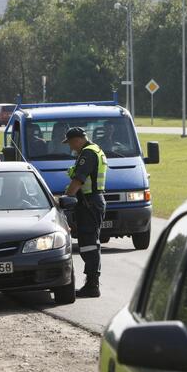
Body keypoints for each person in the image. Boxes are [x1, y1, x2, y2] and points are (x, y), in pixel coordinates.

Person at [63, 127, 107, 298]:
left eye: (71, 143)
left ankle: (92, 285)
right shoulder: (95, 150)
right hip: (91, 202)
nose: (71, 148)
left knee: (89, 243)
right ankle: (91, 283)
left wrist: (65, 199)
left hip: (89, 203)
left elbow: (79, 180)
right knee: (90, 242)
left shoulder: (87, 154)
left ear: (78, 139)